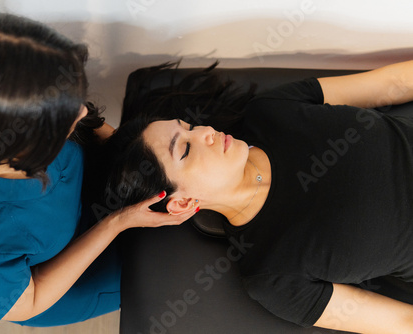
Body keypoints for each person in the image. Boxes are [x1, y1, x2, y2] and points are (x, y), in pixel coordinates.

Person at [0, 12, 195, 326]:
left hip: (87, 194)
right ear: (26, 148)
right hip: (65, 275)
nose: (82, 110)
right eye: (66, 117)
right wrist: (116, 223)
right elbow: (29, 300)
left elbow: (88, 118)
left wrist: (135, 157)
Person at [105, 60, 413, 333]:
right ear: (182, 203)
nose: (205, 132)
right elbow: (401, 323)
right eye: (185, 149)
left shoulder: (272, 109)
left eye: (190, 126)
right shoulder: (272, 276)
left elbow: (392, 83)